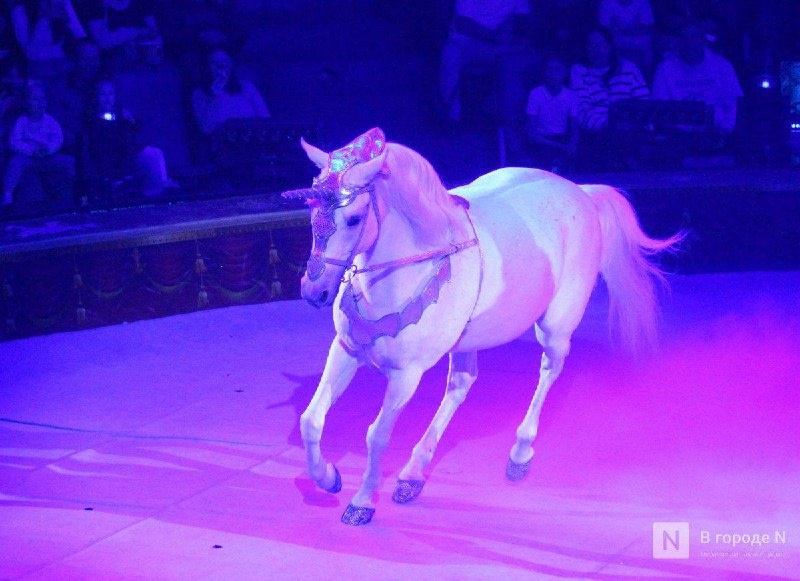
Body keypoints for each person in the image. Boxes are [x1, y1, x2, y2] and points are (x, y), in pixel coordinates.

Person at [438, 0, 532, 124]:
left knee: (512, 63)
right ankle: (451, 114)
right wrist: (496, 37)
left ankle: (510, 123)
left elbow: (521, 20)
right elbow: (463, 23)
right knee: (451, 53)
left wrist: (511, 33)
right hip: (466, 41)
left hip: (500, 46)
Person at [79, 77, 171, 202]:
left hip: (127, 158)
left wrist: (130, 119)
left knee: (154, 153)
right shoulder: (90, 119)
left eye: (110, 93)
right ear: (95, 96)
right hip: (104, 163)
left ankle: (160, 189)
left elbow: (136, 128)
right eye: (103, 94)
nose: (107, 97)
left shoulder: (122, 115)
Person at [651, 19, 742, 135]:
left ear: (702, 39)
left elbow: (735, 104)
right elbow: (660, 109)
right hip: (678, 137)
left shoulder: (723, 67)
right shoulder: (665, 70)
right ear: (678, 42)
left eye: (693, 37)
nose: (689, 43)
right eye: (684, 38)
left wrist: (724, 127)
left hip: (719, 134)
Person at [3, 81, 74, 206]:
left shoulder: (50, 121)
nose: (40, 102)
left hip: (47, 156)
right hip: (27, 158)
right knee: (14, 164)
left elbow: (58, 139)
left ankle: (73, 192)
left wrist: (48, 150)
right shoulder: (21, 122)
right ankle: (8, 194)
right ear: (26, 103)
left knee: (69, 162)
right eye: (35, 99)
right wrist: (30, 150)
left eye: (42, 98)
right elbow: (14, 142)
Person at [570, 28, 649, 134]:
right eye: (591, 44)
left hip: (632, 130)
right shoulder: (579, 71)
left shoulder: (629, 68)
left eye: (601, 44)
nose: (596, 49)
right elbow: (581, 108)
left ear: (610, 46)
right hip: (597, 134)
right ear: (585, 48)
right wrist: (607, 126)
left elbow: (644, 102)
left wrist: (633, 125)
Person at [190, 47, 269, 137]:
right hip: (222, 144)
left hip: (251, 140)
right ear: (208, 67)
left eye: (225, 62)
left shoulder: (247, 88)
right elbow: (206, 128)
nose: (221, 67)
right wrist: (213, 97)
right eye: (214, 63)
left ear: (231, 65)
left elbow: (265, 119)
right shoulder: (199, 94)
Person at [523, 54, 579, 171]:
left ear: (564, 72)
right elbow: (531, 131)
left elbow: (574, 127)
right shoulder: (536, 94)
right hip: (541, 140)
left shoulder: (571, 96)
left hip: (562, 138)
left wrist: (572, 144)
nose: (552, 74)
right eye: (549, 69)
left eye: (557, 69)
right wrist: (561, 147)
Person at [9, 0, 86, 79]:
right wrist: (45, 18)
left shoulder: (62, 3)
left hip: (67, 65)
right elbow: (29, 50)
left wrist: (67, 20)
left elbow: (79, 36)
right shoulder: (20, 11)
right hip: (39, 66)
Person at [597, 0, 654, 78]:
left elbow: (647, 32)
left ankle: (647, 80)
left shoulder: (643, 2)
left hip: (638, 42)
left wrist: (621, 31)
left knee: (647, 47)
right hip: (615, 42)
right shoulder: (606, 3)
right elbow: (605, 32)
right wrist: (634, 30)